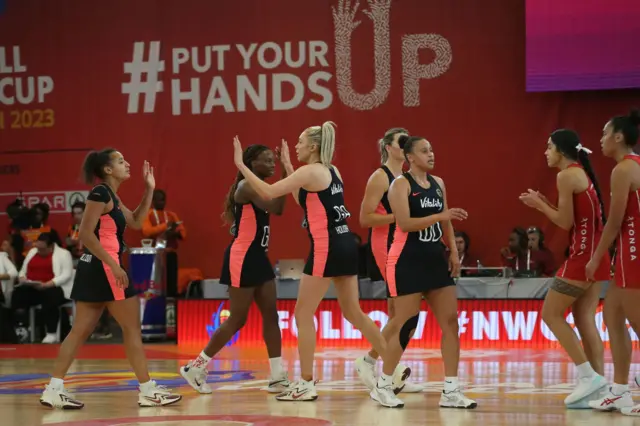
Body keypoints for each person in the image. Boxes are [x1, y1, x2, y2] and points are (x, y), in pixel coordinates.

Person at [231, 122, 388, 402]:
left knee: (302, 314)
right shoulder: (330, 171)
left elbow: (269, 193)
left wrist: (240, 166)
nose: (297, 145)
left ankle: (305, 383)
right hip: (346, 245)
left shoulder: (310, 171)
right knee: (353, 312)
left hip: (326, 247)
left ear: (313, 146)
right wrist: (289, 165)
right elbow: (301, 197)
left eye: (300, 142)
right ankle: (393, 367)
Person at [39, 148, 181, 409]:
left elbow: (137, 221)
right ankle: (148, 389)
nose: (127, 164)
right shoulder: (100, 193)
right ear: (107, 169)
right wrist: (113, 266)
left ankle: (53, 389)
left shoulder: (111, 195)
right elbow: (85, 234)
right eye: (120, 161)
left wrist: (148, 189)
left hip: (94, 268)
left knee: (79, 331)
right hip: (104, 268)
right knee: (131, 328)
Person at [371, 135, 475, 409]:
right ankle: (382, 386)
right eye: (424, 150)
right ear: (410, 157)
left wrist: (453, 251)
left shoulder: (438, 184)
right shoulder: (400, 185)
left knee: (451, 322)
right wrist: (441, 217)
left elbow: (447, 222)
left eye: (432, 149)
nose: (431, 154)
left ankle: (451, 391)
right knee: (406, 326)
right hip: (406, 259)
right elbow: (404, 223)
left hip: (434, 259)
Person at [180, 143, 290, 394]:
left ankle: (277, 375)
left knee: (271, 315)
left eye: (274, 160)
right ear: (251, 163)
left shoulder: (259, 185)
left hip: (258, 256)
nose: (272, 164)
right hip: (242, 257)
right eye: (267, 160)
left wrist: (285, 172)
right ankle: (195, 367)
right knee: (238, 319)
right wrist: (286, 172)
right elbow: (278, 207)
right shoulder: (247, 186)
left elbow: (276, 202)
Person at [519, 129, 609, 408]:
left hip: (582, 257)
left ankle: (588, 377)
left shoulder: (566, 175)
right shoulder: (579, 172)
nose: (546, 152)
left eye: (549, 147)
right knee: (584, 320)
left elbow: (566, 222)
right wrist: (545, 202)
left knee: (550, 314)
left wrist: (539, 207)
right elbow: (577, 217)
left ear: (561, 150)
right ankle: (599, 388)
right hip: (596, 255)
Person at [354, 127, 422, 394]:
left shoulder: (407, 177)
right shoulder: (379, 177)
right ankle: (372, 362)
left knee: (401, 311)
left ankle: (384, 367)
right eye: (401, 142)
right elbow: (365, 218)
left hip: (405, 243)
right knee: (403, 310)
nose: (406, 145)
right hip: (385, 245)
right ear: (388, 147)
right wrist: (400, 217)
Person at [585, 109, 640, 416]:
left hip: (633, 252)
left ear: (619, 137)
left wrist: (596, 258)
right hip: (629, 252)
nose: (602, 139)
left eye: (605, 134)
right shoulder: (633, 165)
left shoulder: (623, 170)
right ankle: (620, 392)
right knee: (613, 317)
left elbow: (615, 221)